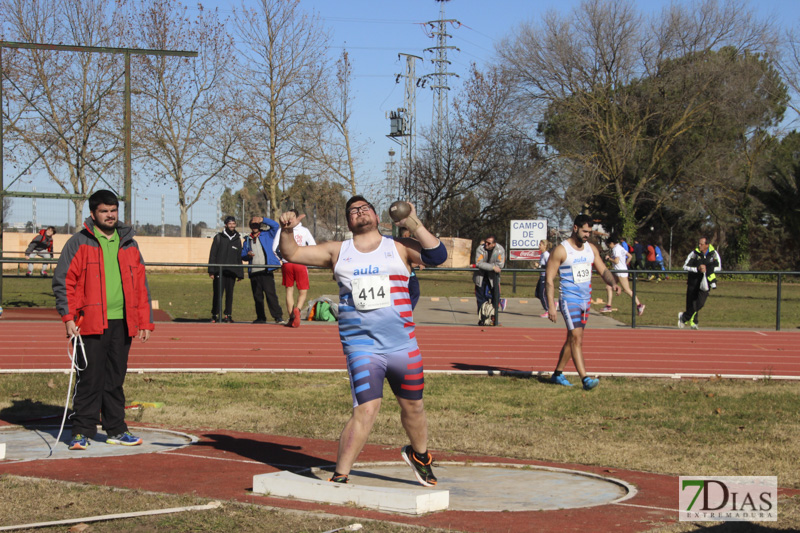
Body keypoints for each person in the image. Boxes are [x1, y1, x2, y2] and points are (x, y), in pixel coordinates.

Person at [277, 195, 448, 486]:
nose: (360, 212)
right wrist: (288, 229)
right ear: (348, 221)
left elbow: (438, 256)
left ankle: (419, 455)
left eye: (365, 208)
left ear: (377, 216)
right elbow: (292, 253)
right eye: (353, 211)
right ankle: (341, 474)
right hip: (362, 348)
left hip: (403, 347)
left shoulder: (398, 247)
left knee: (414, 407)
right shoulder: (337, 251)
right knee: (366, 409)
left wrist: (413, 223)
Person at [52, 190, 154, 450]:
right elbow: (64, 281)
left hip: (123, 323)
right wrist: (68, 317)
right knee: (89, 379)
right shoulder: (79, 242)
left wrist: (144, 321)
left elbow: (141, 284)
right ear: (93, 213)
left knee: (114, 380)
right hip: (89, 323)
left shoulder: (129, 243)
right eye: (104, 211)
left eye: (113, 210)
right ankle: (81, 431)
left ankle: (116, 429)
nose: (110, 215)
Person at [545, 214, 620, 390]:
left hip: (585, 301)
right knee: (577, 338)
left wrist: (613, 282)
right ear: (575, 228)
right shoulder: (561, 250)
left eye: (589, 232)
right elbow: (549, 280)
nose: (587, 235)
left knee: (572, 338)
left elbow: (602, 269)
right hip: (569, 299)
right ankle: (585, 379)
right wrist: (551, 305)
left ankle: (557, 374)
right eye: (584, 231)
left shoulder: (591, 249)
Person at [273, 209, 316, 327]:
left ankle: (291, 316)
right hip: (300, 262)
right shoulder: (304, 231)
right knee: (302, 291)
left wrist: (281, 260)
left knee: (289, 290)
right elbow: (313, 246)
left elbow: (274, 247)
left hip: (287, 263)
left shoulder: (282, 229)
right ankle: (298, 309)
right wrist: (306, 258)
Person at [242, 215, 285, 324]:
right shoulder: (247, 240)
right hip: (254, 272)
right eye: (253, 224)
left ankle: (278, 317)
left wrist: (263, 219)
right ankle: (261, 317)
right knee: (257, 297)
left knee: (271, 294)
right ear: (250, 226)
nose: (255, 226)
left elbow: (276, 226)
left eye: (257, 224)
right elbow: (243, 255)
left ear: (260, 225)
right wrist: (247, 255)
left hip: (266, 270)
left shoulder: (268, 234)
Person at [678, 237, 721, 330]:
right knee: (691, 302)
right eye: (699, 244)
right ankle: (693, 322)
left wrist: (707, 269)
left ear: (707, 245)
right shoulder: (694, 253)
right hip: (693, 282)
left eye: (701, 244)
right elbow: (685, 267)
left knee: (700, 303)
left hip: (705, 282)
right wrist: (697, 269)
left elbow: (719, 267)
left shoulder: (713, 254)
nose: (699, 245)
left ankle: (684, 317)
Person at [208, 216, 244, 323]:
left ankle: (228, 315)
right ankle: (215, 314)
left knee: (230, 294)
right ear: (226, 225)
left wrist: (240, 273)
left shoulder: (237, 239)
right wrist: (211, 270)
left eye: (234, 223)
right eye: (230, 224)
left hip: (232, 272)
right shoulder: (219, 237)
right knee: (218, 294)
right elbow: (213, 255)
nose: (232, 226)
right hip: (220, 271)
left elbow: (239, 257)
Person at [601, 236, 645, 316]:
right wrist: (625, 264)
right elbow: (630, 256)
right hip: (619, 271)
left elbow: (616, 261)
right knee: (608, 286)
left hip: (621, 272)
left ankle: (639, 305)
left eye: (608, 245)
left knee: (627, 290)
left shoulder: (615, 249)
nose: (608, 246)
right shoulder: (620, 247)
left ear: (611, 243)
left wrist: (609, 259)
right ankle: (608, 306)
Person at [472, 234, 505, 322]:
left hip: (493, 278)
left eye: (489, 243)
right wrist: (493, 267)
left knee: (496, 298)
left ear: (494, 244)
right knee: (481, 299)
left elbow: (500, 265)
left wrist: (490, 267)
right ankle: (483, 319)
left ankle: (494, 318)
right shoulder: (480, 249)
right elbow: (479, 263)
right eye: (486, 242)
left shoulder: (500, 250)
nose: (486, 244)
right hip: (480, 277)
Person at [398, 227, 422, 309]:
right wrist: (411, 264)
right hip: (405, 275)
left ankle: (407, 310)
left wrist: (420, 263)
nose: (410, 236)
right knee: (413, 292)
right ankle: (407, 310)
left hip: (411, 274)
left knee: (415, 292)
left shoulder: (408, 245)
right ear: (405, 235)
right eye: (409, 234)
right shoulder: (400, 246)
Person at [535, 239, 551, 318]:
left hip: (545, 276)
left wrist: (540, 266)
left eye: (540, 245)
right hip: (541, 276)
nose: (539, 246)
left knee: (542, 294)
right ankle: (552, 304)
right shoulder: (542, 254)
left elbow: (549, 266)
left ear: (545, 246)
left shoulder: (546, 255)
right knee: (537, 293)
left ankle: (548, 310)